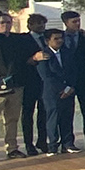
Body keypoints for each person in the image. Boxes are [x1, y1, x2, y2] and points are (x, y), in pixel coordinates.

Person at [0, 11, 44, 166]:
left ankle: (12, 148)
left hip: (15, 83)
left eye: (8, 22)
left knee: (12, 118)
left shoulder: (17, 39)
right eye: (2, 22)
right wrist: (0, 10)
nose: (6, 25)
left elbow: (36, 38)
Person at [58, 9, 85, 149]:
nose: (77, 24)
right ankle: (67, 142)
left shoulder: (84, 37)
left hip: (84, 79)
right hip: (66, 79)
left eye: (78, 21)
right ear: (66, 22)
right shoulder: (59, 38)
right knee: (66, 112)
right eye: (74, 21)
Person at [37, 28, 80, 154]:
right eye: (56, 38)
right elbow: (46, 76)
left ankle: (68, 144)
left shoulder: (68, 53)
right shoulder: (43, 55)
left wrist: (70, 87)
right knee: (53, 119)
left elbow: (74, 71)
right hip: (52, 92)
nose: (60, 40)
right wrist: (62, 89)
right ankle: (52, 146)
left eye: (61, 38)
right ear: (47, 41)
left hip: (68, 91)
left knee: (67, 117)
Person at [20, 12, 49, 155]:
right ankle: (28, 144)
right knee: (28, 113)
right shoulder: (23, 40)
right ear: (30, 25)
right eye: (38, 23)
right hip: (29, 80)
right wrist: (31, 59)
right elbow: (19, 59)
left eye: (43, 23)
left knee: (44, 112)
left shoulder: (48, 38)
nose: (41, 26)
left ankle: (42, 141)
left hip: (45, 81)